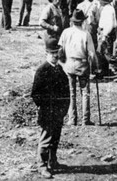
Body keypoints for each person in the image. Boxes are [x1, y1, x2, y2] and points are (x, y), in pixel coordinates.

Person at [31, 38, 70, 179]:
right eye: (51, 53)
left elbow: (66, 90)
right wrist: (46, 107)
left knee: (56, 138)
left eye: (56, 53)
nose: (55, 55)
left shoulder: (59, 69)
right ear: (46, 53)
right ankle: (41, 166)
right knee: (46, 139)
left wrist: (64, 107)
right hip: (48, 113)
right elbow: (35, 94)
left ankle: (53, 162)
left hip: (59, 112)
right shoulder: (42, 70)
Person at [58, 9, 98, 126]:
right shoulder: (86, 34)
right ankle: (85, 120)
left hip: (69, 64)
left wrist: (63, 62)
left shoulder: (66, 32)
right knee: (85, 92)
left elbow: (60, 50)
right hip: (82, 64)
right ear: (83, 21)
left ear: (72, 21)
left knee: (71, 92)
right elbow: (92, 53)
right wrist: (95, 67)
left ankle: (72, 119)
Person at [97, 0, 117, 78]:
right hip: (103, 32)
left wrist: (104, 35)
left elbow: (110, 24)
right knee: (102, 53)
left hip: (106, 33)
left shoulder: (109, 9)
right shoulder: (106, 8)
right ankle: (104, 70)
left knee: (108, 54)